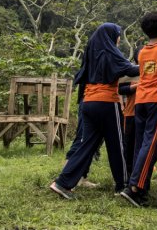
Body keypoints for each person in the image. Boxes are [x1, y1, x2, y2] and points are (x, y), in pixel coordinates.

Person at [50, 23, 140, 200]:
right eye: (118, 34)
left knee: (87, 145)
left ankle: (62, 183)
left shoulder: (91, 53)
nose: (119, 38)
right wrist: (153, 66)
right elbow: (129, 69)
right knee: (117, 145)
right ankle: (122, 185)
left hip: (88, 102)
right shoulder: (110, 52)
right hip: (106, 102)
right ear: (111, 36)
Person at [120, 12, 157, 208]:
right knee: (151, 144)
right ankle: (134, 187)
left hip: (140, 101)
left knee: (141, 145)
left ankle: (139, 188)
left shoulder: (142, 52)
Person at [119, 80, 138, 174]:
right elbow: (120, 89)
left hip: (146, 116)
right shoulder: (130, 74)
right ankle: (127, 174)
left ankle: (137, 172)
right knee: (128, 145)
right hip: (130, 114)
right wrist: (139, 85)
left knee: (141, 145)